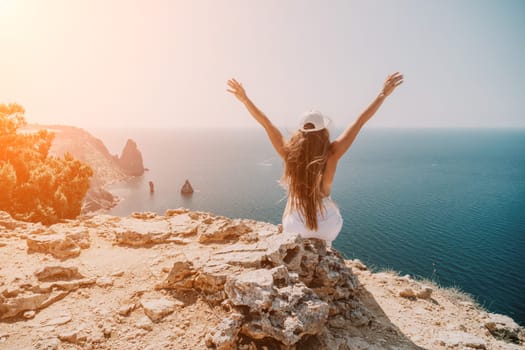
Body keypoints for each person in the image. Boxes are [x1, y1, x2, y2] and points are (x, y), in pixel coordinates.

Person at [227, 73, 403, 247]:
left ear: (300, 132)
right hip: (328, 228)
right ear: (323, 131)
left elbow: (266, 123)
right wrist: (382, 94)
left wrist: (245, 100)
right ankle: (324, 253)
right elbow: (359, 122)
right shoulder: (333, 153)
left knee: (291, 205)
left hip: (295, 228)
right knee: (332, 209)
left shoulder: (289, 153)